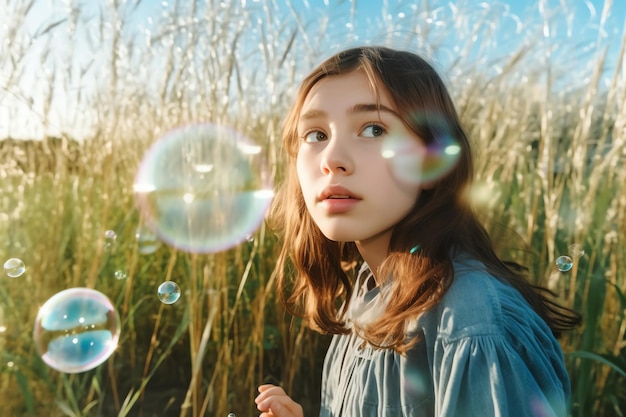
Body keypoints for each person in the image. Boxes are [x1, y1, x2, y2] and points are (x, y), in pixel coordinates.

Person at [254, 46, 581, 417]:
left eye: (373, 129)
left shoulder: (471, 325)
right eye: (314, 135)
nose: (331, 160)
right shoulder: (368, 294)